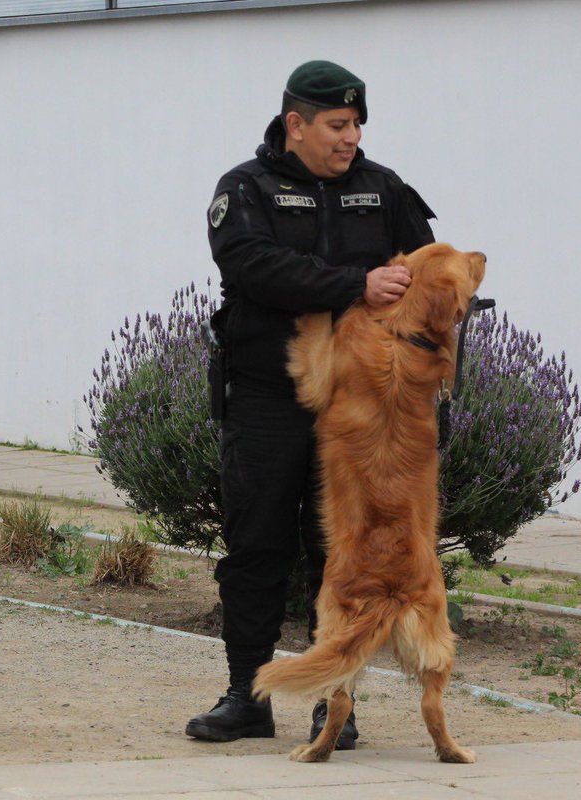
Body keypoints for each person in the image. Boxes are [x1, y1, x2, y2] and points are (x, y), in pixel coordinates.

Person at [186, 60, 436, 749]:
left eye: (356, 124)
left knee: (344, 555)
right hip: (268, 397)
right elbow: (253, 267)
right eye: (336, 124)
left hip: (359, 411)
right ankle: (247, 695)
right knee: (257, 546)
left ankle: (337, 701)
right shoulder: (246, 189)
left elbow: (428, 269)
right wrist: (357, 284)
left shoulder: (382, 190)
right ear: (296, 124)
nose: (350, 136)